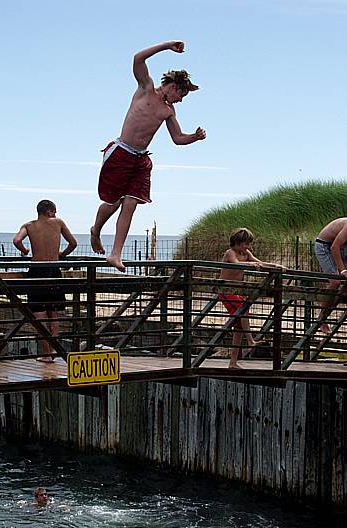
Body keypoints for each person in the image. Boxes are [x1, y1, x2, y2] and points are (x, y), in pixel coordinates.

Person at [90, 40, 206, 273]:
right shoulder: (146, 88)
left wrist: (194, 137)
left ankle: (115, 254)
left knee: (130, 203)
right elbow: (137, 59)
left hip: (141, 160)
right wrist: (167, 46)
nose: (181, 100)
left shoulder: (169, 111)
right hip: (121, 152)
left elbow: (177, 138)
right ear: (172, 86)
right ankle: (95, 230)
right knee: (113, 202)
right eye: (182, 94)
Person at [13, 200, 77, 362]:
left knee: (39, 316)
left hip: (36, 271)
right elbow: (73, 243)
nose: (55, 214)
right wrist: (62, 254)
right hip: (54, 270)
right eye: (54, 211)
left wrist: (25, 250)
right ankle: (54, 352)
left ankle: (46, 354)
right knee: (53, 314)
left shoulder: (28, 225)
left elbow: (16, 241)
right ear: (49, 211)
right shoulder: (59, 223)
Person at [219, 228, 285, 369]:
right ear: (237, 242)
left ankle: (233, 362)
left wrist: (275, 266)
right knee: (244, 309)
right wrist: (249, 264)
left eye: (248, 244)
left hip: (236, 291)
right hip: (225, 290)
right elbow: (236, 263)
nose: (247, 247)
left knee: (239, 326)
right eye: (245, 244)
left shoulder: (246, 253)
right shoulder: (230, 253)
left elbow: (259, 262)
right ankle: (250, 341)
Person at [314, 217, 347, 335]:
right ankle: (322, 318)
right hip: (325, 245)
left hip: (343, 247)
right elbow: (334, 247)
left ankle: (328, 312)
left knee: (345, 285)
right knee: (335, 282)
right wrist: (343, 270)